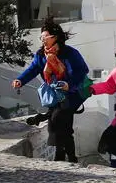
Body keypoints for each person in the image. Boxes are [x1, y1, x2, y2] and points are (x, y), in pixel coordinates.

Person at [12, 17, 90, 163]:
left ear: (56, 38)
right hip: (55, 93)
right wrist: (20, 80)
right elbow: (33, 69)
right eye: (41, 37)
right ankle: (70, 157)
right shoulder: (41, 55)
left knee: (57, 119)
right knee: (64, 126)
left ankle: (60, 156)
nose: (42, 40)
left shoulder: (70, 53)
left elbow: (82, 71)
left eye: (45, 37)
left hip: (72, 94)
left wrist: (69, 84)